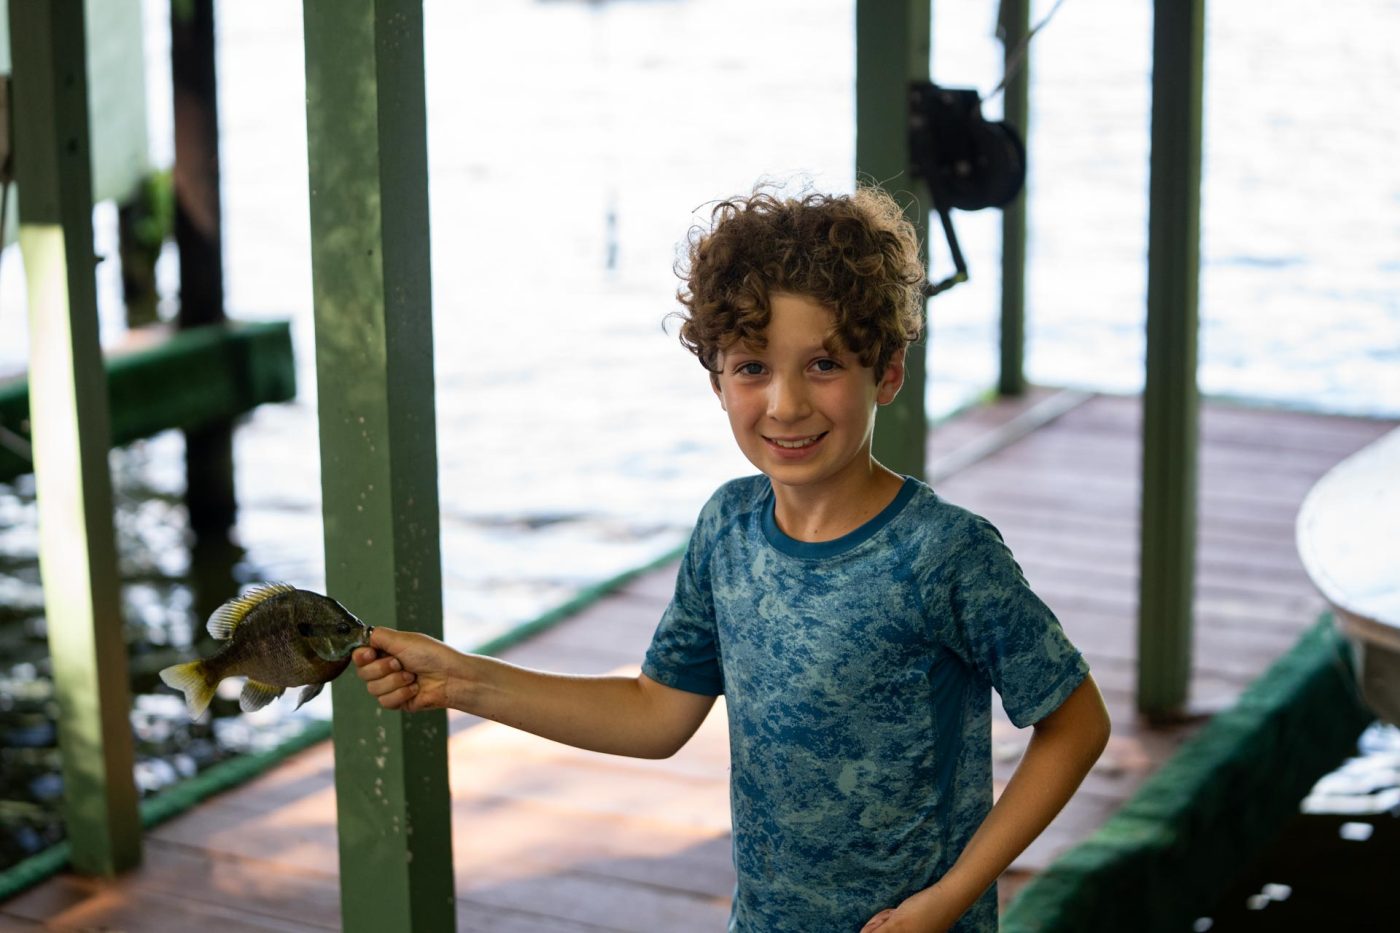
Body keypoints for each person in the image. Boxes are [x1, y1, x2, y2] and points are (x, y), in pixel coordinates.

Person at [354, 185, 1111, 932]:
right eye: (753, 368)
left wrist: (949, 898)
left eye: (823, 364)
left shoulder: (944, 553)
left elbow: (1076, 725)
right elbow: (656, 714)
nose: (786, 404)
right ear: (717, 380)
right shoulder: (727, 527)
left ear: (887, 370)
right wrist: (462, 680)